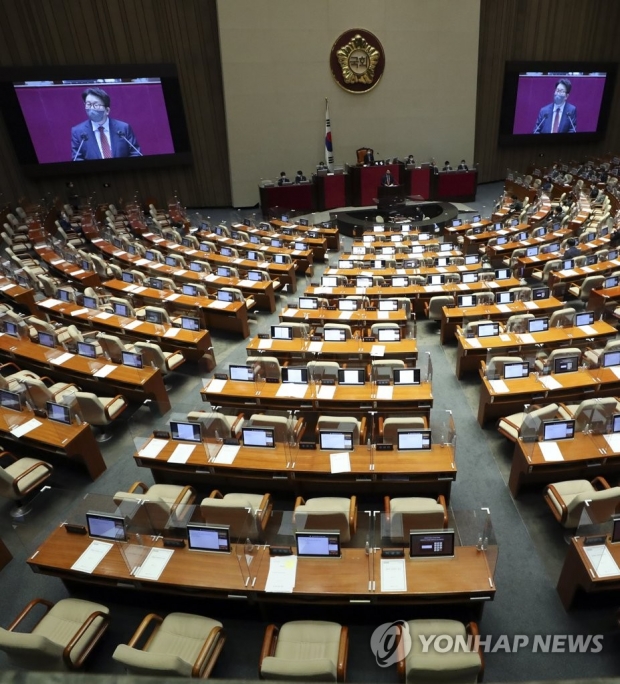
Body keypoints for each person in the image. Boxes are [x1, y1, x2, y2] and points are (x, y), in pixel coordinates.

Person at [71, 87, 141, 161]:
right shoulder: (77, 132)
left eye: (96, 105)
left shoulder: (123, 128)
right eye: (88, 104)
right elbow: (77, 159)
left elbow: (135, 153)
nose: (91, 109)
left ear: (107, 110)